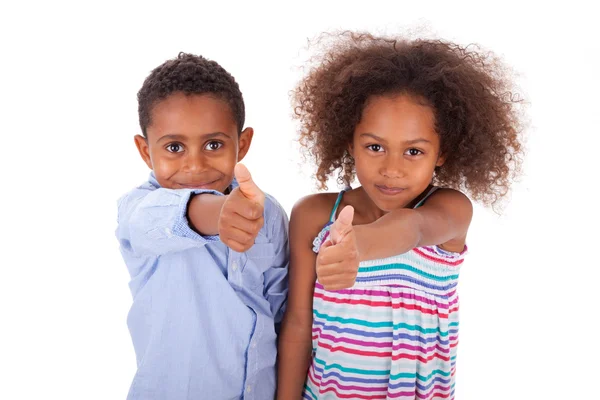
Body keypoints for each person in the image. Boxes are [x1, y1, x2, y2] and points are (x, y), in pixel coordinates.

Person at [278, 32, 524, 399]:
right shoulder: (314, 214)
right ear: (350, 141)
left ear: (441, 153)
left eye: (413, 151)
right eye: (375, 146)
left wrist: (359, 244)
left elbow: (411, 227)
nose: (391, 169)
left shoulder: (450, 211)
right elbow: (298, 322)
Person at [116, 52, 288, 400]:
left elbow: (280, 312)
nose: (194, 165)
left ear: (242, 144)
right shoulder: (137, 210)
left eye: (214, 144)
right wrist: (221, 212)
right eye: (174, 147)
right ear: (146, 151)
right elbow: (169, 217)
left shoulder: (268, 212)